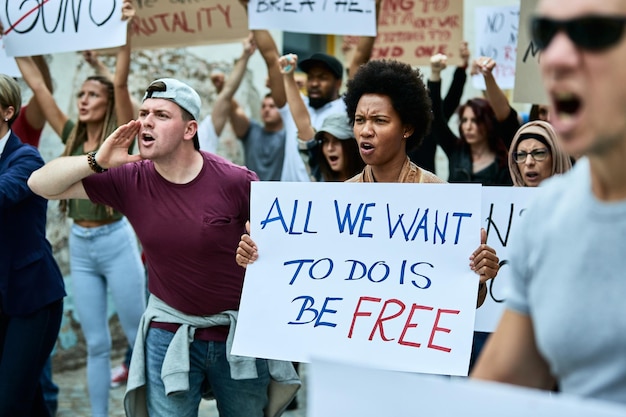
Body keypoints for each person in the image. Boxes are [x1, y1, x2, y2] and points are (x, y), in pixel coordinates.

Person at [27, 77, 300, 417]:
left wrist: (256, 252)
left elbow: (282, 249)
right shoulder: (131, 178)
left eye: (161, 114)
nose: (146, 122)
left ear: (189, 130)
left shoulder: (235, 180)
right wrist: (97, 158)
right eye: (143, 113)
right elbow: (40, 185)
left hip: (237, 337)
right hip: (169, 333)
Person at [236, 59, 501, 312]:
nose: (365, 130)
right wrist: (261, 259)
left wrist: (479, 278)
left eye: (379, 121)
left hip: (412, 348)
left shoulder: (441, 199)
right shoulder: (334, 203)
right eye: (360, 120)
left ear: (407, 128)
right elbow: (303, 278)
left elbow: (463, 302)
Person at [470, 0, 626, 407]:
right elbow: (501, 386)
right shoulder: (546, 215)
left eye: (594, 32)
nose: (555, 56)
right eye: (544, 34)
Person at [16, 4, 147, 417]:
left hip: (115, 240)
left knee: (137, 335)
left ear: (107, 102)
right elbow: (38, 87)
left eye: (92, 94)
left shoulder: (118, 134)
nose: (83, 100)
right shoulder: (71, 132)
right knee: (96, 344)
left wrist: (125, 29)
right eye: (81, 94)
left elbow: (122, 80)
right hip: (80, 241)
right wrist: (13, 37)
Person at [0, 74, 66, 417]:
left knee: (9, 403)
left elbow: (4, 193)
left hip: (32, 299)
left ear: (8, 111)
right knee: (26, 399)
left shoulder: (26, 159)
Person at [429, 54, 520, 186]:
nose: (468, 127)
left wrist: (487, 76)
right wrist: (435, 74)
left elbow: (505, 115)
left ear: (488, 123)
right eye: (464, 120)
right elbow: (435, 119)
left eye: (475, 121)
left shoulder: (504, 159)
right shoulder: (456, 150)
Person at [278, 53, 364, 182]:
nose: (330, 148)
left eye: (337, 141)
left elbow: (360, 57)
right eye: (325, 141)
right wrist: (288, 76)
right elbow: (303, 124)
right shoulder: (319, 174)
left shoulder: (370, 176)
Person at [409, 41, 472, 174]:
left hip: (426, 188)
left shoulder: (428, 128)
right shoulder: (388, 129)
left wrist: (461, 68)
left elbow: (450, 101)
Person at [198, 33, 258, 154]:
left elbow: (227, 94)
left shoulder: (201, 138)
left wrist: (245, 55)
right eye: (147, 113)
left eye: (163, 115)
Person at [508, 120, 572, 187]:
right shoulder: (507, 197)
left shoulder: (578, 196)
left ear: (556, 158)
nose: (528, 162)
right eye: (521, 155)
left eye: (538, 153)